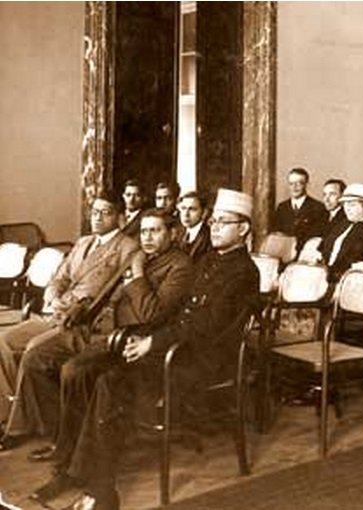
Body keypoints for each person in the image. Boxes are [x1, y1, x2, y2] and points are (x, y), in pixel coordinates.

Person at [32, 189, 260, 510]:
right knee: (84, 371)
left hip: (202, 361)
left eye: (224, 222)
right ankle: (71, 469)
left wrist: (154, 342)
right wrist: (145, 337)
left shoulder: (244, 271)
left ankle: (102, 493)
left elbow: (205, 327)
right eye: (214, 222)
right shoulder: (210, 259)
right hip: (177, 346)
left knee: (110, 382)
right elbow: (180, 313)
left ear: (244, 229)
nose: (215, 227)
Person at [3, 209, 192, 466]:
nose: (147, 237)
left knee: (72, 371)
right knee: (36, 356)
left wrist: (137, 275)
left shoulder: (179, 266)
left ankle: (69, 447)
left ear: (173, 233)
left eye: (155, 231)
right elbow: (106, 291)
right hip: (94, 326)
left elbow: (153, 314)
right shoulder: (139, 256)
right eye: (144, 231)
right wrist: (83, 307)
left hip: (126, 337)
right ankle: (61, 435)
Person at [0, 192, 139, 445]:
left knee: (34, 350)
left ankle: (19, 428)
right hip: (54, 311)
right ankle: (12, 413)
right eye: (94, 212)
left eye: (105, 212)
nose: (97, 217)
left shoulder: (127, 247)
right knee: (4, 341)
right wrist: (53, 298)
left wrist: (77, 306)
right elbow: (60, 277)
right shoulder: (84, 242)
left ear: (119, 217)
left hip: (79, 320)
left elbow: (111, 291)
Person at [317, 183, 363, 281]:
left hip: (350, 279)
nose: (347, 208)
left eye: (352, 205)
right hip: (324, 275)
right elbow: (323, 248)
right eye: (345, 204)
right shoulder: (342, 224)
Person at [272, 167, 327, 250]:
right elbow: (277, 233)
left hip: (307, 253)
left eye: (299, 183)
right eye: (291, 183)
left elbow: (319, 236)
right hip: (284, 252)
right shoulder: (282, 207)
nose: (294, 187)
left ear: (307, 185)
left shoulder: (318, 208)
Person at [176, 191, 211, 263]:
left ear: (204, 212)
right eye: (183, 208)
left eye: (192, 209)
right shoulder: (177, 233)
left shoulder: (209, 236)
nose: (186, 214)